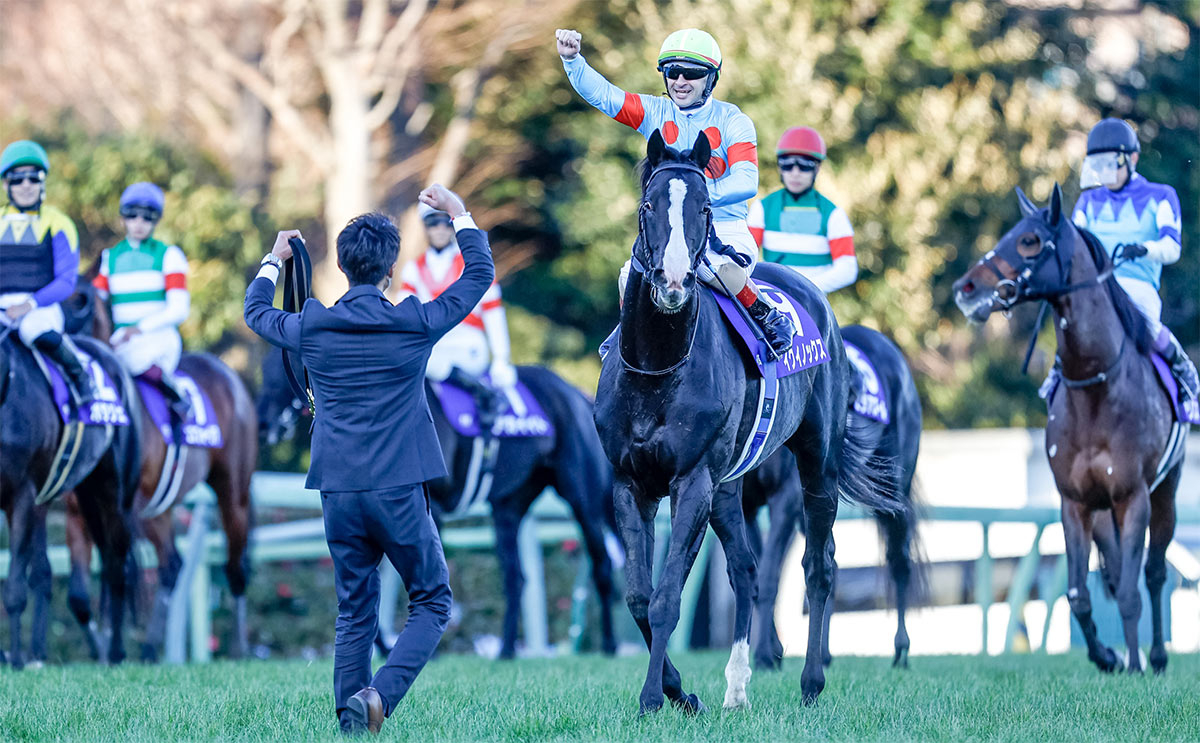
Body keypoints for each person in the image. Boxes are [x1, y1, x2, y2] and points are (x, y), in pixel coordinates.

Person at [244, 184, 493, 736]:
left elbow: (256, 312)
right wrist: (460, 217)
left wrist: (273, 259)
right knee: (432, 601)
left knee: (354, 610)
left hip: (338, 490)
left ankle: (351, 723)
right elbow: (476, 279)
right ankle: (379, 696)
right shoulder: (413, 322)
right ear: (390, 268)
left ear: (342, 265)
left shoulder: (312, 325)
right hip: (399, 489)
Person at [556, 27, 794, 356]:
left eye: (692, 73)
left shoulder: (733, 120)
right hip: (670, 229)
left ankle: (768, 315)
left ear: (711, 78)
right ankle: (628, 327)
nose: (680, 81)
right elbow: (606, 96)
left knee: (707, 263)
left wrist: (696, 197)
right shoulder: (655, 111)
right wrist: (573, 61)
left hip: (721, 226)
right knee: (630, 271)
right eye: (672, 72)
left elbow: (746, 180)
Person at [1042, 117, 1197, 404]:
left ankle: (1184, 372)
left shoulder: (1161, 196)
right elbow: (1073, 246)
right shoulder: (1088, 201)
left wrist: (1144, 249)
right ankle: (1058, 370)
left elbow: (1172, 247)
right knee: (1072, 323)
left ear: (1133, 158)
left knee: (1147, 326)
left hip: (1137, 284)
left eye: (1110, 163)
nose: (1104, 171)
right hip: (1096, 286)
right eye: (1098, 164)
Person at [398, 203, 516, 429]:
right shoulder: (413, 269)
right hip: (436, 347)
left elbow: (493, 313)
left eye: (446, 222)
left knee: (429, 363)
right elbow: (405, 313)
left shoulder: (473, 265)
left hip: (469, 345)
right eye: (433, 222)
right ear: (426, 227)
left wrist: (502, 359)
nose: (440, 228)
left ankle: (487, 395)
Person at [0, 139, 94, 408]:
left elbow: (66, 281)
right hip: (2, 309)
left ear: (43, 182)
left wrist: (29, 304)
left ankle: (79, 376)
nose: (26, 185)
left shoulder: (58, 222)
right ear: (6, 185)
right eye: (18, 179)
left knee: (32, 330)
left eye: (34, 177)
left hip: (41, 308)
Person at [93, 182, 191, 425]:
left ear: (156, 220)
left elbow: (179, 309)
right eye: (132, 215)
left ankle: (177, 394)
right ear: (123, 218)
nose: (138, 222)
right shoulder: (109, 258)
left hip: (158, 338)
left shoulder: (169, 256)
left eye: (147, 217)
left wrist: (139, 328)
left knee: (126, 361)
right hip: (122, 338)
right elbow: (95, 301)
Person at [748, 127, 858, 294]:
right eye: (787, 165)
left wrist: (805, 288)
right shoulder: (761, 208)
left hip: (813, 303)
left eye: (804, 166)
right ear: (779, 167)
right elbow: (746, 256)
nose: (795, 173)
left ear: (817, 168)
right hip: (772, 298)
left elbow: (848, 268)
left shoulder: (833, 214)